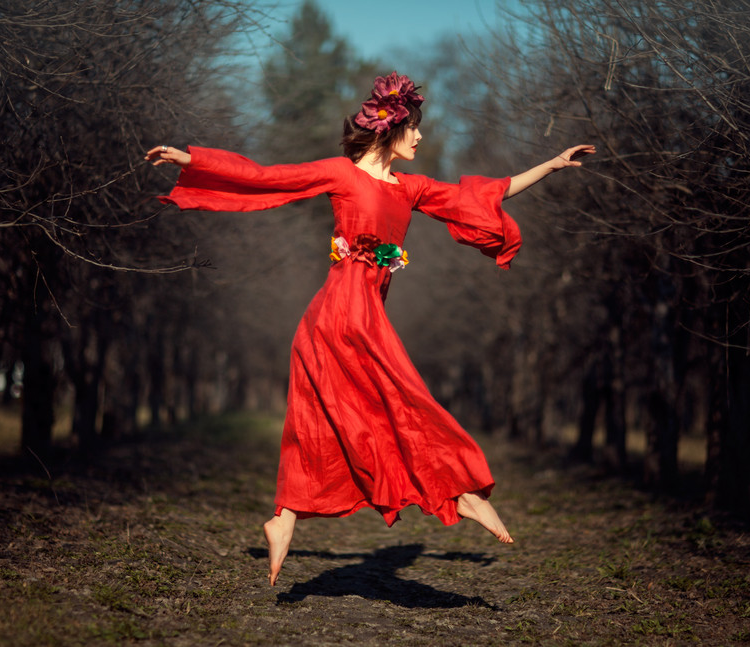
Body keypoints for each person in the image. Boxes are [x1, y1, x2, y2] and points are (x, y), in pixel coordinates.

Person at [146, 71, 594, 586]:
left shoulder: (412, 188)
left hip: (357, 314)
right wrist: (193, 160)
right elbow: (266, 178)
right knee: (402, 399)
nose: (421, 138)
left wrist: (553, 164)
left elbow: (491, 196)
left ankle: (285, 520)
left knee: (333, 420)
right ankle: (457, 492)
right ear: (390, 129)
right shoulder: (341, 173)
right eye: (415, 129)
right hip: (343, 312)